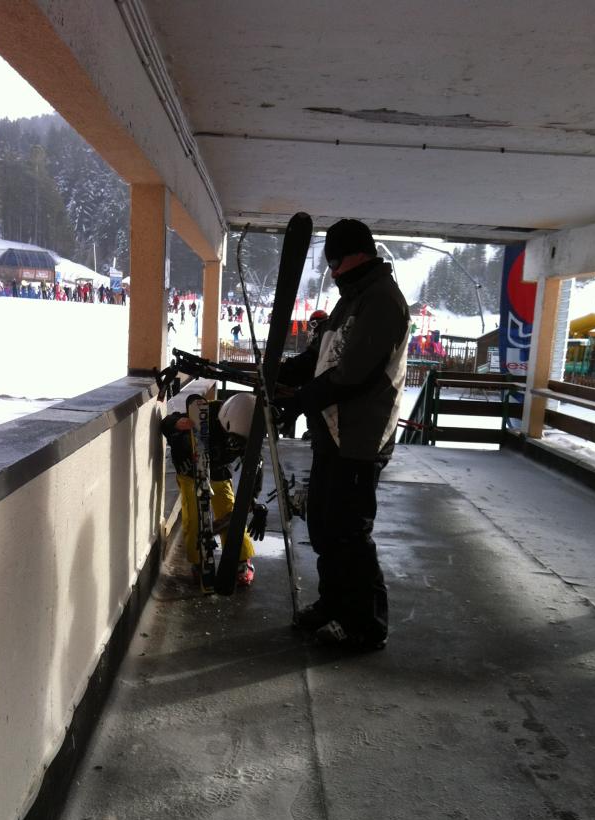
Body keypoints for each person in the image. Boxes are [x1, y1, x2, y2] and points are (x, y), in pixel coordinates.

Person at [276, 218, 409, 651]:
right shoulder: (350, 299)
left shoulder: (382, 302)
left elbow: (351, 374)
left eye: (335, 261)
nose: (331, 271)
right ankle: (334, 603)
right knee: (324, 524)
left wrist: (298, 400)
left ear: (357, 255)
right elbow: (320, 355)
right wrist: (279, 373)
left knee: (349, 530)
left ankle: (367, 624)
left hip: (360, 436)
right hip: (332, 432)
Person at [160, 392, 267, 587]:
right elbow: (167, 421)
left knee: (230, 509)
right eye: (234, 440)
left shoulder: (250, 427)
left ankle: (240, 560)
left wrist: (251, 499)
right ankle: (199, 561)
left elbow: (255, 466)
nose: (236, 445)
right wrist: (177, 425)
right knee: (194, 516)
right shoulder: (205, 413)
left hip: (218, 469)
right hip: (190, 469)